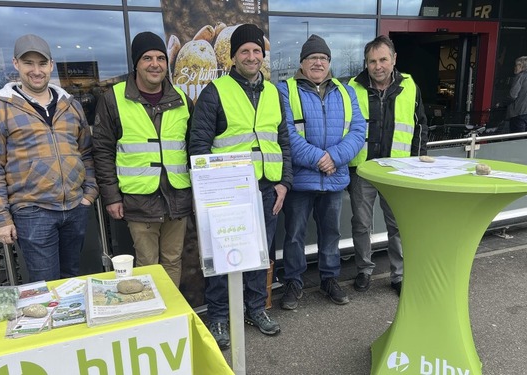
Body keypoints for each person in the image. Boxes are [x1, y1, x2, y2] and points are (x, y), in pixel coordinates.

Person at [189, 24, 292, 349]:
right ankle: (219, 317)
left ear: (263, 56)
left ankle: (255, 309)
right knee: (223, 257)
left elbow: (284, 142)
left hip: (266, 191)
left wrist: (284, 183)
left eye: (256, 51)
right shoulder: (215, 91)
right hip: (227, 194)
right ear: (233, 56)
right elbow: (198, 146)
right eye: (244, 51)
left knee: (258, 256)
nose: (251, 56)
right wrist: (209, 195)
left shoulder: (275, 93)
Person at [0, 34, 98, 282]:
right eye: (28, 63)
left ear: (51, 65)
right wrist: (0, 218)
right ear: (16, 64)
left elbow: (86, 152)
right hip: (33, 212)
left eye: (42, 64)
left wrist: (89, 194)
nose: (36, 70)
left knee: (71, 280)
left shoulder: (70, 104)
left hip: (75, 207)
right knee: (44, 287)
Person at [92, 32, 194, 287]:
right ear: (136, 63)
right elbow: (103, 151)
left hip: (177, 197)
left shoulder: (182, 99)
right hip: (139, 200)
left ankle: (171, 316)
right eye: (147, 57)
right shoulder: (113, 99)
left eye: (160, 57)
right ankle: (151, 317)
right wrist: (112, 196)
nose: (155, 63)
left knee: (173, 260)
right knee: (147, 263)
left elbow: (193, 147)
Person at [276, 35, 366, 310]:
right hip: (302, 180)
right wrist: (319, 159)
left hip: (334, 178)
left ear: (329, 63)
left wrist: (334, 158)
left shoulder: (346, 91)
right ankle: (293, 281)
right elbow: (287, 134)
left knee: (331, 234)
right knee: (294, 235)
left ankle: (330, 279)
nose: (318, 62)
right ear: (302, 63)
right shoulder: (285, 90)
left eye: (323, 58)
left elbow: (359, 130)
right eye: (312, 58)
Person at [347, 35, 428, 296]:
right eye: (372, 61)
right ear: (366, 63)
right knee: (361, 223)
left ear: (394, 60)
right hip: (363, 169)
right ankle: (364, 270)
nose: (377, 66)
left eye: (383, 59)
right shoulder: (352, 87)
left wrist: (416, 166)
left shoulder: (410, 86)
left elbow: (420, 128)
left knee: (398, 225)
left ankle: (399, 275)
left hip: (397, 170)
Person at [497, 56, 527, 133]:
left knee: (516, 138)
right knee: (522, 135)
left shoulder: (520, 76)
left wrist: (501, 103)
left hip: (519, 112)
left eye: (516, 65)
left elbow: (512, 96)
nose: (514, 67)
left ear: (521, 66)